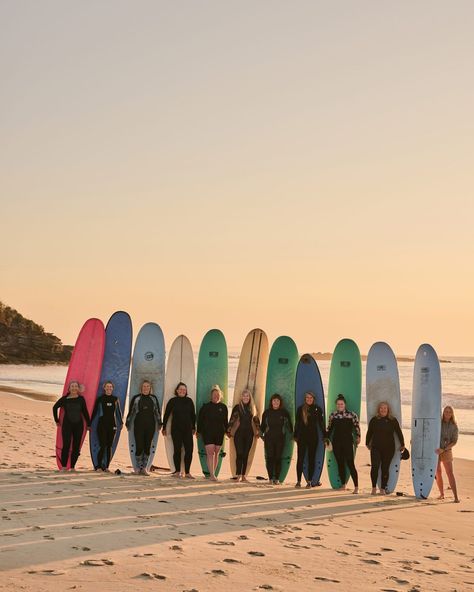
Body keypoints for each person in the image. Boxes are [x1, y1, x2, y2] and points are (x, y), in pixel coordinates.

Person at [366, 401, 405, 495]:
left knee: (385, 467)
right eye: (381, 408)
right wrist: (367, 443)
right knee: (374, 467)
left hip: (389, 448)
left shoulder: (392, 420)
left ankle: (383, 488)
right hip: (376, 447)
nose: (383, 410)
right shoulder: (374, 420)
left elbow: (399, 432)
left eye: (385, 408)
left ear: (388, 410)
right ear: (378, 410)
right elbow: (369, 432)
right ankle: (374, 488)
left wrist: (402, 444)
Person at [125, 380, 162, 475]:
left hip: (150, 425)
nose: (145, 388)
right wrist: (127, 423)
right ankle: (138, 467)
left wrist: (159, 423)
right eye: (144, 386)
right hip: (139, 425)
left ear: (150, 388)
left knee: (147, 446)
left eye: (147, 386)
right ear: (141, 388)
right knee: (139, 446)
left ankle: (144, 468)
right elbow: (131, 412)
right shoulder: (136, 398)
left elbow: (157, 411)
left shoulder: (153, 398)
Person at [53, 380, 91, 471]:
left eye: (75, 386)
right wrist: (56, 420)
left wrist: (89, 424)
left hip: (79, 425)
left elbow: (85, 412)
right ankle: (64, 466)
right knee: (66, 445)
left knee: (76, 446)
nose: (74, 388)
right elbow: (55, 407)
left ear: (78, 388)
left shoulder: (81, 399)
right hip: (67, 425)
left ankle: (73, 466)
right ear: (69, 388)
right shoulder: (64, 399)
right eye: (72, 386)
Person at [326, 394, 360, 493]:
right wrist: (326, 438)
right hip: (336, 442)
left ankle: (356, 487)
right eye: (338, 404)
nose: (340, 405)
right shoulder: (333, 415)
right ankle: (343, 485)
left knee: (350, 464)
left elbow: (356, 427)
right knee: (340, 463)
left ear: (345, 404)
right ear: (336, 405)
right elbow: (329, 428)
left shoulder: (352, 415)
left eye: (341, 404)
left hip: (348, 442)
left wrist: (358, 436)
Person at [162, 382, 196, 479]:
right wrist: (164, 427)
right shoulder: (173, 401)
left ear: (186, 391)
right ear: (177, 391)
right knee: (177, 450)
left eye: (184, 390)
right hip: (176, 429)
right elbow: (166, 414)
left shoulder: (189, 401)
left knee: (189, 450)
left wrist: (194, 427)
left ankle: (187, 472)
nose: (182, 391)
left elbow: (193, 415)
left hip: (188, 429)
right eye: (180, 389)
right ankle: (177, 471)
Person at [294, 391, 325, 488]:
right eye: (307, 398)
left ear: (313, 399)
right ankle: (298, 481)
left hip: (313, 438)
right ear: (305, 399)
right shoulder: (300, 409)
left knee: (312, 459)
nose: (309, 399)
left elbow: (321, 424)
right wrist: (295, 436)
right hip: (302, 438)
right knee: (300, 459)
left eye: (311, 398)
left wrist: (326, 435)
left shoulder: (317, 409)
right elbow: (297, 423)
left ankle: (310, 481)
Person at [197, 385, 228, 481]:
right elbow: (200, 420)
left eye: (218, 395)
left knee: (217, 453)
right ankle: (212, 475)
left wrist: (227, 432)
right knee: (210, 453)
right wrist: (198, 431)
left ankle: (213, 473)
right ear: (211, 396)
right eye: (214, 394)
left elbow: (225, 421)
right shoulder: (205, 407)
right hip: (208, 433)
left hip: (219, 433)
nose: (216, 396)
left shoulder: (223, 407)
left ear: (220, 396)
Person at [228, 389, 260, 482]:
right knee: (239, 454)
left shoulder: (252, 408)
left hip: (249, 434)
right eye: (244, 396)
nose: (245, 397)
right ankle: (238, 475)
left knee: (246, 454)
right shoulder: (237, 407)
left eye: (247, 396)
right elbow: (232, 419)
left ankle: (244, 476)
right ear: (241, 397)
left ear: (250, 398)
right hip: (238, 434)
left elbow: (256, 421)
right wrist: (228, 430)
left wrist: (259, 432)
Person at [260, 394, 293, 485]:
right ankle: (270, 478)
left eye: (277, 401)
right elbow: (262, 427)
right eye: (274, 400)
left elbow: (290, 426)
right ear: (271, 402)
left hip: (280, 439)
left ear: (280, 402)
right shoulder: (266, 413)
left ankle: (277, 479)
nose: (276, 402)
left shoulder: (284, 413)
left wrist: (293, 435)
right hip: (269, 439)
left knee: (278, 458)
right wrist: (260, 434)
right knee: (270, 458)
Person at [91, 381, 123, 471]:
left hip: (112, 425)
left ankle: (107, 467)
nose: (109, 388)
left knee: (109, 446)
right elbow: (95, 412)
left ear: (113, 388)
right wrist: (90, 423)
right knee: (102, 445)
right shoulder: (100, 399)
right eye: (107, 387)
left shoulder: (115, 399)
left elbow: (118, 413)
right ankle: (98, 467)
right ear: (104, 388)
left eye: (110, 387)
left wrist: (121, 423)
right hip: (102, 425)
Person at [435, 405, 460, 503]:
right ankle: (441, 494)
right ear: (443, 412)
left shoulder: (454, 426)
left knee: (450, 473)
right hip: (436, 450)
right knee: (438, 472)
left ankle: (456, 497)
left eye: (449, 412)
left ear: (452, 414)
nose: (447, 413)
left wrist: (444, 449)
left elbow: (454, 441)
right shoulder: (438, 423)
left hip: (446, 450)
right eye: (446, 411)